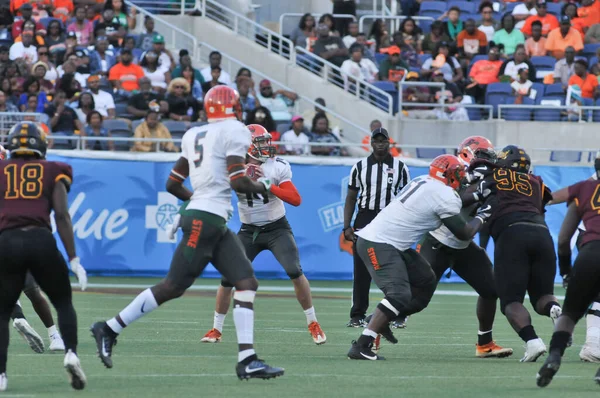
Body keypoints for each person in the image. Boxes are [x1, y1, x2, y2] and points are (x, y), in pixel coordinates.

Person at [90, 86, 284, 380]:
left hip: (210, 219)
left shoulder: (194, 133)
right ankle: (109, 328)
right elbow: (238, 181)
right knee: (172, 286)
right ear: (235, 108)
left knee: (246, 281)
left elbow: (172, 183)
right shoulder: (235, 130)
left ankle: (247, 359)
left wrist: (196, 200)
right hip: (204, 221)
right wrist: (266, 186)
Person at [347, 154, 493, 360]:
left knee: (425, 281)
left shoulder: (423, 181)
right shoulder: (444, 195)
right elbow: (465, 233)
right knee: (398, 294)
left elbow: (451, 200)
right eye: (459, 175)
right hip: (380, 243)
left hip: (391, 243)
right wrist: (483, 215)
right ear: (450, 176)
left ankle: (382, 320)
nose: (462, 179)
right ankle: (362, 345)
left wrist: (477, 195)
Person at [200, 124, 326, 345]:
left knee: (294, 271)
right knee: (228, 278)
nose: (266, 146)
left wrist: (267, 184)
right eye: (260, 143)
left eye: (266, 141)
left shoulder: (276, 167)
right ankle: (215, 329)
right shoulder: (232, 167)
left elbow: (296, 199)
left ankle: (313, 323)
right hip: (249, 231)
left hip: (277, 228)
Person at [0, 122, 87, 392]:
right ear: (41, 144)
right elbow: (62, 215)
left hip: (8, 242)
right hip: (41, 240)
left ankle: (1, 375)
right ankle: (70, 353)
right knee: (63, 301)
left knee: (2, 313)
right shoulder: (53, 170)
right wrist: (73, 258)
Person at [417, 137, 513, 358]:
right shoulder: (455, 171)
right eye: (484, 155)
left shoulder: (489, 178)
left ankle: (485, 343)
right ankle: (372, 332)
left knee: (491, 289)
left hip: (464, 246)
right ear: (469, 154)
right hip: (437, 242)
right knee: (414, 297)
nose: (489, 160)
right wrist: (480, 190)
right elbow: (457, 199)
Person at [474, 145, 562, 362]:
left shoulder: (494, 175)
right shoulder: (537, 181)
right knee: (543, 297)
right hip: (542, 235)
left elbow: (475, 193)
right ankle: (555, 309)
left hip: (512, 234)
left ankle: (532, 341)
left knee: (511, 301)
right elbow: (544, 202)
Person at [536, 155, 600, 387]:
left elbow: (563, 239)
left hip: (591, 253)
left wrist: (565, 271)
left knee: (570, 313)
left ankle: (554, 357)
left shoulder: (584, 188)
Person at [343, 127, 410, 327]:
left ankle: (398, 313)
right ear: (371, 143)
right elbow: (351, 198)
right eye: (376, 140)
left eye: (383, 141)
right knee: (361, 268)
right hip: (365, 218)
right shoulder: (359, 167)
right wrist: (347, 226)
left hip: (390, 218)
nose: (380, 144)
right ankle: (357, 315)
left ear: (389, 142)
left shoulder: (401, 167)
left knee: (395, 268)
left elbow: (406, 199)